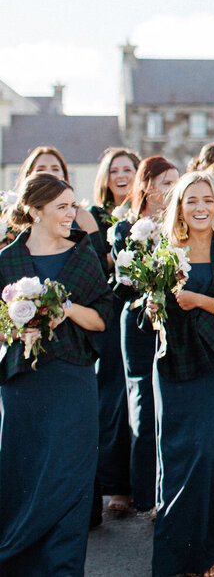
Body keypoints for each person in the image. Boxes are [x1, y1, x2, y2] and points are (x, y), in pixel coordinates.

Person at [0, 174, 113, 576]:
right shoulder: (6, 260)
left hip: (72, 379)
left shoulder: (83, 256)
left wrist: (64, 308)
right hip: (23, 386)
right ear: (35, 210)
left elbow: (102, 320)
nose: (73, 214)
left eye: (73, 205)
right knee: (24, 475)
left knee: (70, 477)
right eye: (63, 207)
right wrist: (15, 325)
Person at [152, 171, 214, 577]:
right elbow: (152, 301)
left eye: (207, 200)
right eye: (191, 200)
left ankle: (211, 548)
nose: (200, 207)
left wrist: (197, 300)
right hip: (173, 362)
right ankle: (178, 554)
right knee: (176, 456)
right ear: (179, 206)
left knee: (210, 455)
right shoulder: (162, 251)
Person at [113, 155, 179, 513]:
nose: (172, 189)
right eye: (167, 182)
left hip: (171, 321)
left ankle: (166, 492)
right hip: (138, 322)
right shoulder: (124, 229)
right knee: (143, 404)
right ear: (147, 185)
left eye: (175, 182)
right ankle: (145, 494)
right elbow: (120, 287)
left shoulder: (178, 225)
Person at [90, 146, 141, 517]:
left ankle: (138, 480)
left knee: (136, 399)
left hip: (142, 309)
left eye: (128, 169)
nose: (121, 176)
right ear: (105, 178)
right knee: (112, 399)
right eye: (114, 170)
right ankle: (116, 485)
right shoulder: (95, 216)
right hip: (109, 312)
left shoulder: (149, 215)